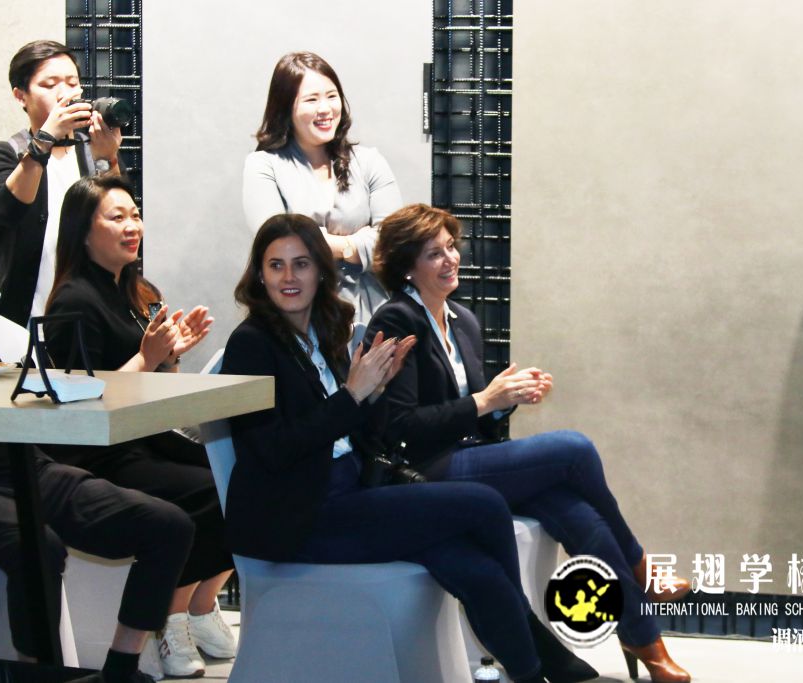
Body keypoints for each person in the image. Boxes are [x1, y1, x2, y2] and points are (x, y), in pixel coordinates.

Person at [221, 213, 598, 683]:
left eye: (301, 264)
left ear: (320, 271)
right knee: (482, 504)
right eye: (275, 266)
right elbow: (270, 451)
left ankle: (530, 667)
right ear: (259, 275)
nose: (288, 277)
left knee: (474, 567)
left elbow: (356, 433)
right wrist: (353, 395)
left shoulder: (324, 332)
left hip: (348, 494)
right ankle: (536, 645)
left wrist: (376, 391)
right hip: (297, 518)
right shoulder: (251, 345)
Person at [365, 204, 691, 683]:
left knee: (575, 510)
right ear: (406, 266)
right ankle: (640, 566)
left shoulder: (462, 320)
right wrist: (485, 400)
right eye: (434, 253)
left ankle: (644, 640)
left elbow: (479, 423)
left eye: (451, 247)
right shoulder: (397, 320)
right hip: (422, 470)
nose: (450, 259)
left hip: (466, 456)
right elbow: (401, 428)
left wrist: (503, 404)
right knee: (574, 448)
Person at [41, 175, 237, 678]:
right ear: (84, 231)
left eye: (135, 215)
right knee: (208, 492)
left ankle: (199, 606)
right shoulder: (73, 302)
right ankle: (171, 616)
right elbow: (81, 404)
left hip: (144, 435)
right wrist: (148, 358)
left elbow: (153, 388)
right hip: (101, 452)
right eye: (117, 217)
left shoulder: (138, 291)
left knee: (240, 472)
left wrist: (169, 357)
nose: (132, 227)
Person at [0, 441, 192, 683]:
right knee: (37, 549)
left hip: (26, 463)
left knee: (168, 525)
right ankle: (36, 675)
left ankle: (120, 671)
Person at [242, 51, 402, 325]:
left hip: (373, 312)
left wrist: (324, 242)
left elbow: (395, 244)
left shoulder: (369, 161)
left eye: (331, 96)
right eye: (312, 99)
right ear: (286, 106)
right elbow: (277, 244)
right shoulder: (263, 165)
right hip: (298, 316)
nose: (325, 108)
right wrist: (356, 244)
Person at [0, 40, 122, 326]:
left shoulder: (92, 150)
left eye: (72, 83)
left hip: (91, 313)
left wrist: (109, 158)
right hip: (24, 316)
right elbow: (7, 210)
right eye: (50, 84)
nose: (64, 93)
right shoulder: (8, 153)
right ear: (21, 96)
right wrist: (44, 140)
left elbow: (121, 221)